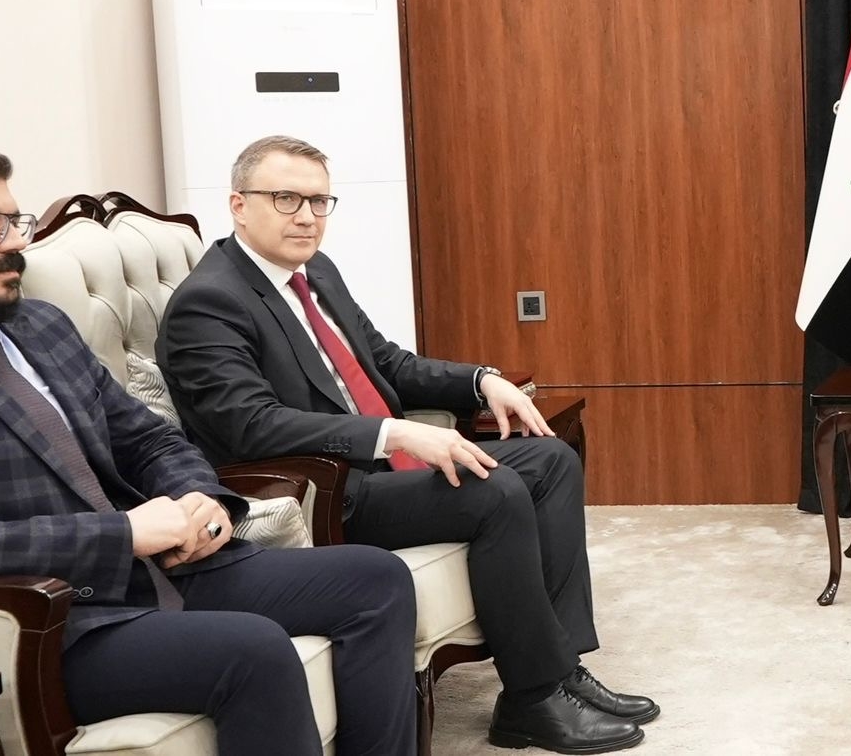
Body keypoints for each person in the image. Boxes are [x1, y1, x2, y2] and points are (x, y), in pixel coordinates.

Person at [0, 133, 418, 756]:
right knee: (251, 650)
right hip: (38, 622)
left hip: (154, 569)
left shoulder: (39, 325)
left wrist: (199, 498)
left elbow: (147, 437)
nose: (15, 243)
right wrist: (121, 536)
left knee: (376, 579)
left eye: (14, 222)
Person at [157, 135, 657, 754]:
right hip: (325, 490)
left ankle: (559, 671)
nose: (307, 216)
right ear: (238, 204)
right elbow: (250, 426)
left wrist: (481, 380)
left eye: (318, 201)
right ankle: (532, 700)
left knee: (550, 460)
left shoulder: (316, 271)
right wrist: (394, 432)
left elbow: (385, 362)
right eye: (286, 198)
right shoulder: (208, 303)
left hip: (380, 468)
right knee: (494, 489)